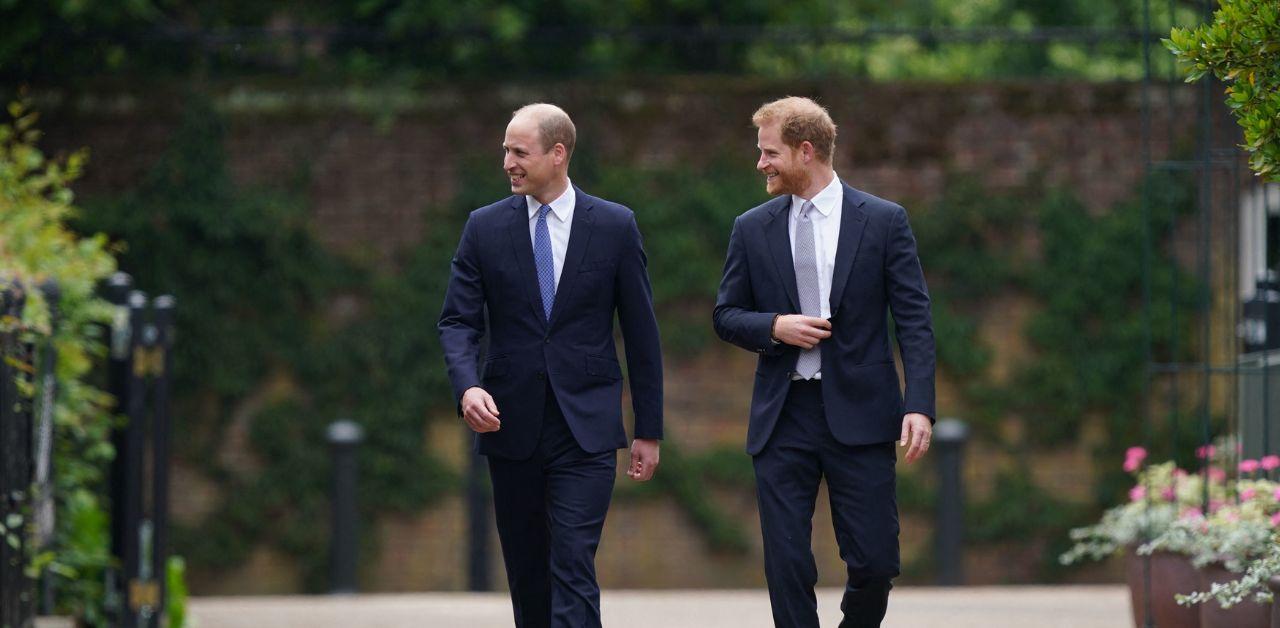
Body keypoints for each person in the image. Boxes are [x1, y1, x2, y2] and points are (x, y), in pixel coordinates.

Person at [712, 96, 936, 628]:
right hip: (783, 413)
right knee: (786, 563)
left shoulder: (883, 221)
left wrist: (920, 404)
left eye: (769, 153)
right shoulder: (751, 227)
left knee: (876, 561)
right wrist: (774, 326)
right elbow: (725, 315)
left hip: (862, 414)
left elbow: (914, 321)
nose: (760, 163)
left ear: (805, 151)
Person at [438, 103, 663, 628]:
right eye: (505, 151)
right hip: (509, 425)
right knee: (528, 575)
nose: (508, 163)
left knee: (573, 564)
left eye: (520, 152)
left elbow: (642, 335)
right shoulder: (483, 228)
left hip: (585, 430)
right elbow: (457, 323)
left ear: (558, 154)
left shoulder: (613, 226)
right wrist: (467, 387)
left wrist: (648, 430)